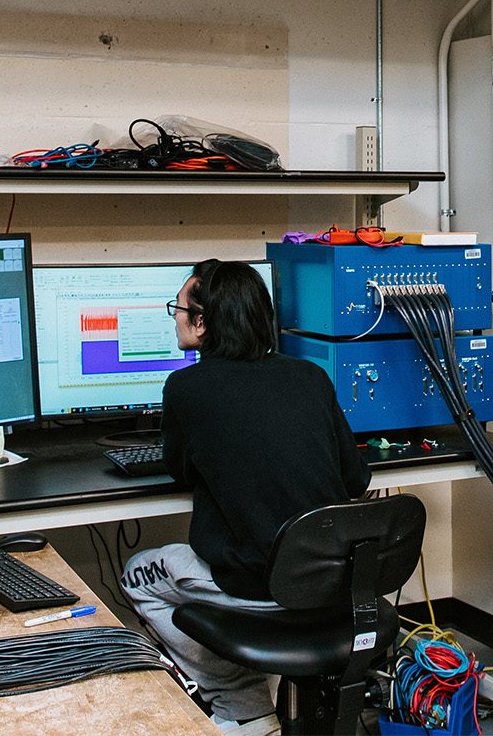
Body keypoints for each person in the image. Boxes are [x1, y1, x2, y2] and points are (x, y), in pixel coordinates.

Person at [122, 259, 371, 730]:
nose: (175, 318)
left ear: (202, 322)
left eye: (178, 309)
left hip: (258, 587)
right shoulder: (311, 376)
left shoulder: (186, 387)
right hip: (330, 583)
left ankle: (242, 705)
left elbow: (180, 470)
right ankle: (255, 704)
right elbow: (355, 480)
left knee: (137, 574)